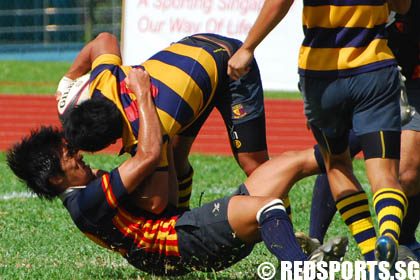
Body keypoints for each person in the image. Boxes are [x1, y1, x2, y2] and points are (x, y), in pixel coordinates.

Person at [7, 68, 347, 277]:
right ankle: (301, 270)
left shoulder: (87, 192)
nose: (78, 155)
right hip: (182, 244)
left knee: (294, 162)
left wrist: (72, 80)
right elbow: (149, 153)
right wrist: (142, 92)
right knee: (265, 208)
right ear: (55, 179)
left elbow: (105, 41)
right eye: (69, 156)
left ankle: (361, 136)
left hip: (183, 230)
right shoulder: (86, 203)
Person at [227, 0, 411, 267]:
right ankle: (390, 235)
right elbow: (402, 5)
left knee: (336, 164)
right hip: (374, 70)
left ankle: (372, 255)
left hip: (320, 76)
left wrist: (248, 48)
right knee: (385, 175)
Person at [56, 32, 277, 213]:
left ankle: (288, 230)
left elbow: (158, 201)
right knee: (177, 155)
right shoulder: (102, 83)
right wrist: (68, 78)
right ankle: (187, 225)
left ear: (111, 141)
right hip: (196, 47)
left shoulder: (146, 131)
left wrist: (115, 187)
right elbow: (104, 39)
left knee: (253, 164)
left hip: (231, 65)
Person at [300, 0, 420, 261]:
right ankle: (317, 239)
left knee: (406, 172)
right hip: (360, 71)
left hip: (400, 76)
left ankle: (402, 241)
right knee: (336, 157)